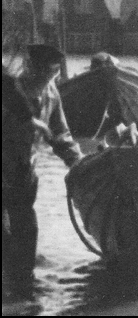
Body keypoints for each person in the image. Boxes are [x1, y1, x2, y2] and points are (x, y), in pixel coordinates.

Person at [2, 45, 84, 283]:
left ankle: (25, 286)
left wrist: (77, 163)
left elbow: (60, 135)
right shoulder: (8, 90)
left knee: (27, 232)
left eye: (52, 75)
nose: (46, 79)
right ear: (29, 67)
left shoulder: (51, 93)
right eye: (41, 73)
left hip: (24, 171)